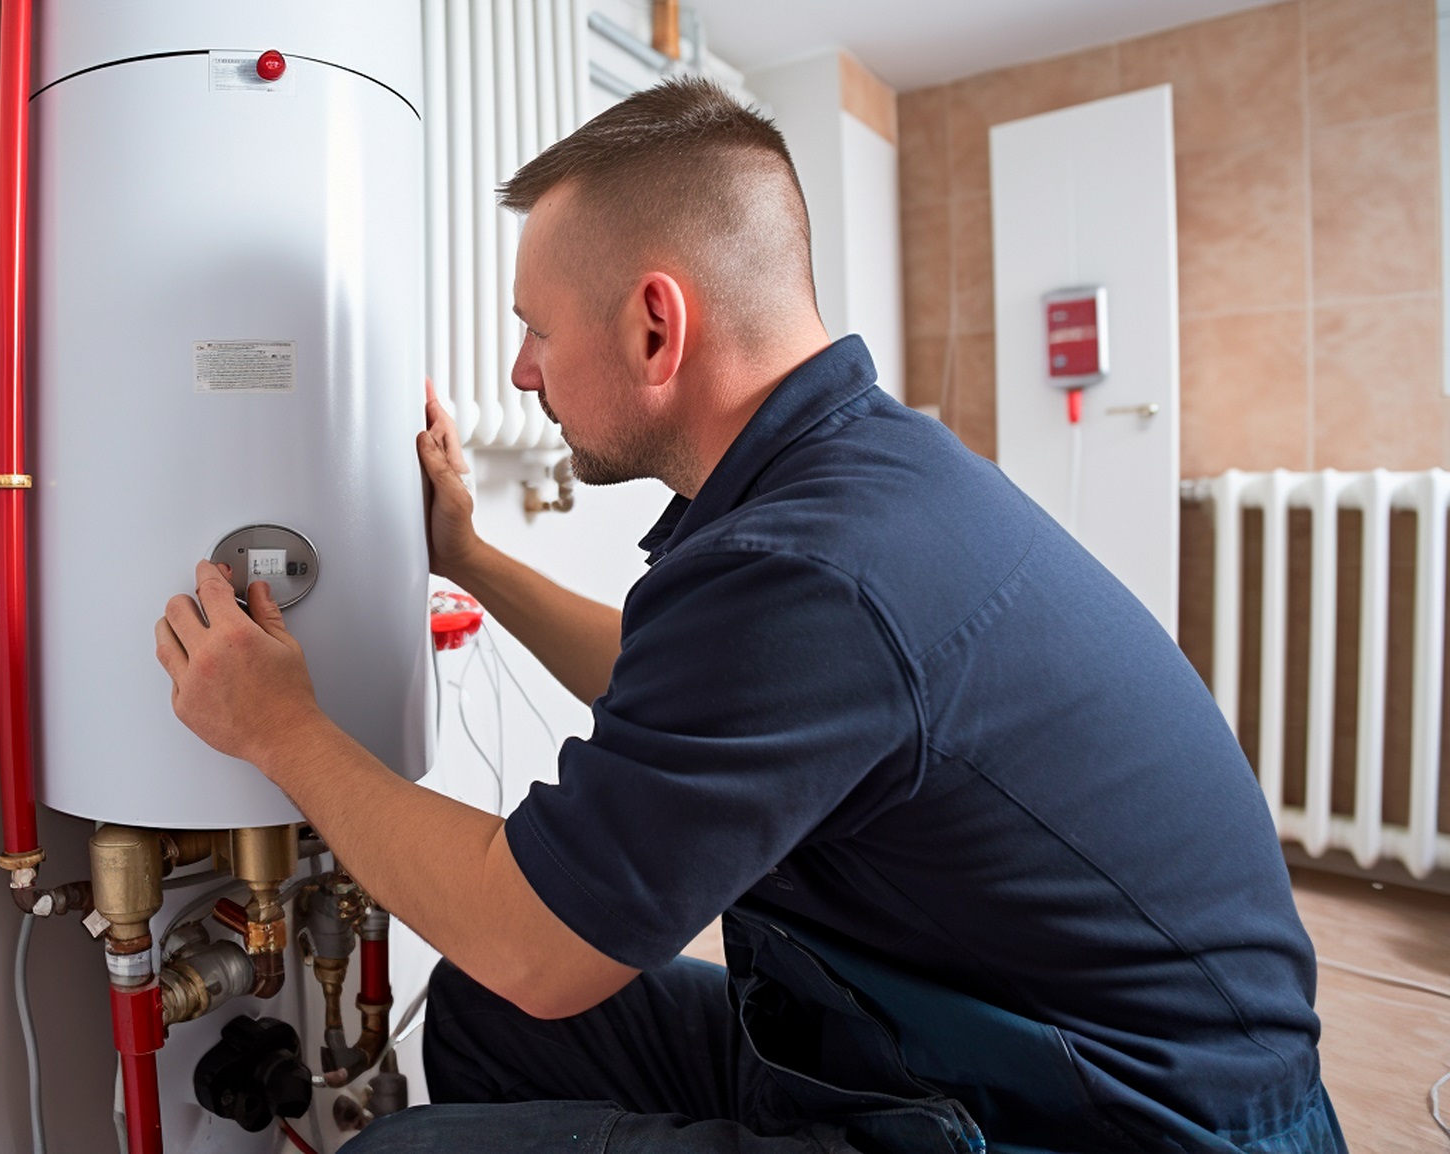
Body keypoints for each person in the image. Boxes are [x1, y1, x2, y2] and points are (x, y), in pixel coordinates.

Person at [153, 78, 1345, 1152]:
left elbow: (536, 940)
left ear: (656, 326)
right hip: (970, 1033)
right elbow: (675, 682)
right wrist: (469, 553)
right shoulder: (845, 481)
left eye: (537, 328)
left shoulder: (811, 563)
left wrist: (280, 728)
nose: (521, 370)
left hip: (1104, 1119)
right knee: (479, 1011)